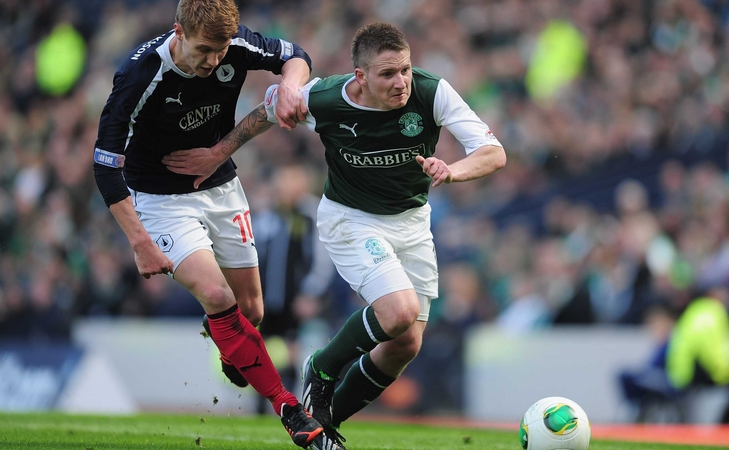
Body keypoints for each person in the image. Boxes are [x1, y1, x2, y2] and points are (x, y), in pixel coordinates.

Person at [163, 22, 506, 449]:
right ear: (359, 77)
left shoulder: (431, 92)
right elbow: (267, 112)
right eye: (387, 74)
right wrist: (217, 153)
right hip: (351, 218)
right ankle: (321, 370)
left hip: (412, 222)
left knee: (406, 344)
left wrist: (453, 171)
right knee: (399, 312)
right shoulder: (325, 99)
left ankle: (321, 430)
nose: (400, 82)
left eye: (405, 70)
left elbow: (494, 153)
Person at [91, 0, 323, 447]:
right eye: (204, 50)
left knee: (251, 312)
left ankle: (234, 343)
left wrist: (291, 88)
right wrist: (139, 242)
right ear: (178, 31)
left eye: (220, 51)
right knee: (217, 296)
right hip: (161, 201)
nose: (214, 60)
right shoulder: (139, 74)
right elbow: (104, 166)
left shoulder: (232, 43)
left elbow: (296, 57)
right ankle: (289, 408)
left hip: (221, 189)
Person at [251, 165, 336, 415]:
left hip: (297, 299)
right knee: (262, 350)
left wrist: (311, 293)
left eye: (289, 182)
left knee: (295, 351)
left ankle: (293, 405)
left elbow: (322, 258)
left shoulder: (311, 214)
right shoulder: (268, 214)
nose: (283, 188)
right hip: (266, 298)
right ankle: (262, 405)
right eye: (281, 183)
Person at [618, 289, 729, 424]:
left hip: (682, 373)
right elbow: (714, 350)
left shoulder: (693, 312)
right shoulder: (714, 312)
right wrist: (723, 372)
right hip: (696, 371)